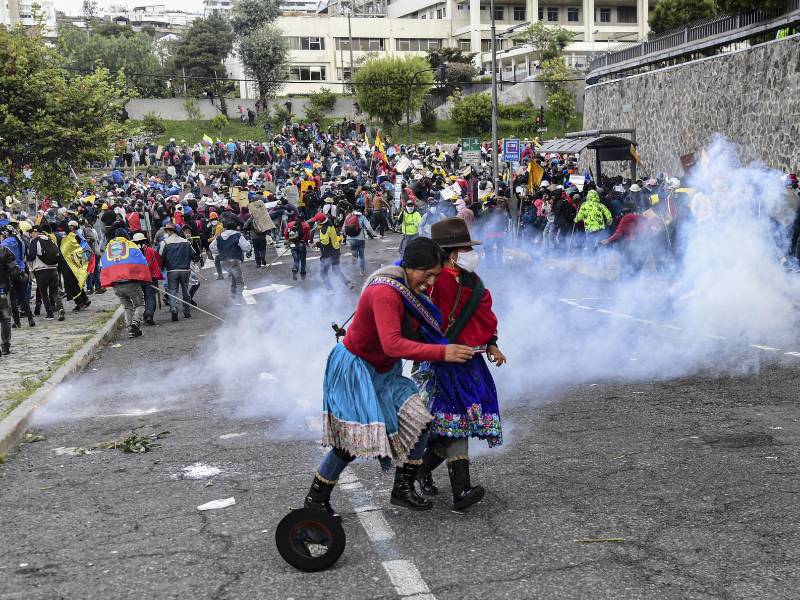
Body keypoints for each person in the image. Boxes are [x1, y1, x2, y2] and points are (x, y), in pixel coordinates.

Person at [304, 238, 475, 518]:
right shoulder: (386, 292)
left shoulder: (408, 287)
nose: (431, 282)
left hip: (385, 370)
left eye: (435, 275)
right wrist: (443, 352)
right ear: (410, 266)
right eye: (428, 274)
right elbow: (392, 344)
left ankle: (403, 488)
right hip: (357, 368)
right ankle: (315, 500)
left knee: (419, 421)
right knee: (350, 443)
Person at [417, 217, 506, 510]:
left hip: (469, 362)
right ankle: (461, 490)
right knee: (454, 423)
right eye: (464, 248)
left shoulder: (472, 281)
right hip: (442, 362)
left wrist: (492, 344)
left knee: (453, 426)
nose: (470, 252)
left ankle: (420, 469)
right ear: (450, 253)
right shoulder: (432, 282)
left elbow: (482, 316)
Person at [100, 231, 151, 338]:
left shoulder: (108, 248)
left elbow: (103, 265)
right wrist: (145, 277)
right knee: (140, 304)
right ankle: (135, 323)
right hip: (131, 282)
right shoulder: (130, 245)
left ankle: (130, 330)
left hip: (116, 285)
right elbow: (142, 261)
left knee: (127, 306)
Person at [159, 222, 197, 322]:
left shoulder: (164, 243)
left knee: (172, 291)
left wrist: (162, 267)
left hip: (172, 270)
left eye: (167, 230)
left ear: (170, 231)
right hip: (185, 270)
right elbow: (194, 254)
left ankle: (174, 310)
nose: (166, 232)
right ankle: (187, 311)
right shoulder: (186, 241)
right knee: (185, 291)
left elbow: (160, 257)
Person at [28, 225, 65, 321]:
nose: (31, 234)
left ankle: (50, 314)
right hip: (53, 269)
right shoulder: (50, 240)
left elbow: (31, 256)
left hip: (41, 271)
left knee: (44, 293)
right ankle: (60, 308)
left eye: (32, 232)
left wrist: (27, 259)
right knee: (55, 292)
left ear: (36, 232)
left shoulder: (34, 241)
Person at [1, 224, 34, 327]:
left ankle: (17, 322)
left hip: (10, 273)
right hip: (22, 270)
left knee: (13, 299)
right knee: (22, 297)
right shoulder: (20, 241)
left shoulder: (5, 244)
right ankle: (30, 319)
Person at [210, 221, 252, 298]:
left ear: (225, 228)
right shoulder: (237, 234)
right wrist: (249, 244)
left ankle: (233, 293)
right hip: (234, 260)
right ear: (235, 228)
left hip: (223, 261)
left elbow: (211, 247)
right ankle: (238, 298)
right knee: (239, 281)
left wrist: (221, 251)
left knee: (233, 275)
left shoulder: (220, 236)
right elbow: (246, 247)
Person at [132, 232, 163, 326]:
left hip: (138, 279)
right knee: (150, 297)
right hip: (150, 278)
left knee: (142, 298)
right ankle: (149, 314)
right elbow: (158, 262)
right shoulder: (151, 250)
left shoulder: (132, 252)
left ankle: (145, 314)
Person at [60, 220, 91, 311]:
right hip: (78, 262)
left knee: (71, 284)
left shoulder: (72, 237)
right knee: (77, 283)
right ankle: (85, 299)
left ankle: (80, 303)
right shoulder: (79, 235)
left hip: (71, 263)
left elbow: (66, 250)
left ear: (72, 227)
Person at [316, 212, 352, 291]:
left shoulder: (324, 229)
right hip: (336, 251)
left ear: (319, 221)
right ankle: (347, 283)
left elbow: (324, 243)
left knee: (323, 273)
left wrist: (316, 244)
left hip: (328, 254)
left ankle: (330, 290)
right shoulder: (330, 224)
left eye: (317, 221)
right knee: (336, 270)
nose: (316, 222)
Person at [0, 240, 23, 355]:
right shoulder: (3, 250)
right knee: (5, 318)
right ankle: (5, 346)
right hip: (2, 288)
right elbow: (14, 269)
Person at [344, 208, 376, 276]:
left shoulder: (348, 216)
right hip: (360, 239)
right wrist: (373, 234)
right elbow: (369, 227)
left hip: (350, 239)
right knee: (361, 256)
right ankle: (362, 271)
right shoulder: (362, 217)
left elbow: (344, 228)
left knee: (354, 252)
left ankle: (354, 259)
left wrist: (345, 235)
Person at [285, 214, 311, 281]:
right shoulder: (306, 225)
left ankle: (295, 269)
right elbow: (308, 237)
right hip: (301, 244)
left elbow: (285, 233)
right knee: (303, 260)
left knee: (296, 259)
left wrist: (289, 241)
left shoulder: (290, 224)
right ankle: (303, 274)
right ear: (303, 219)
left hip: (293, 245)